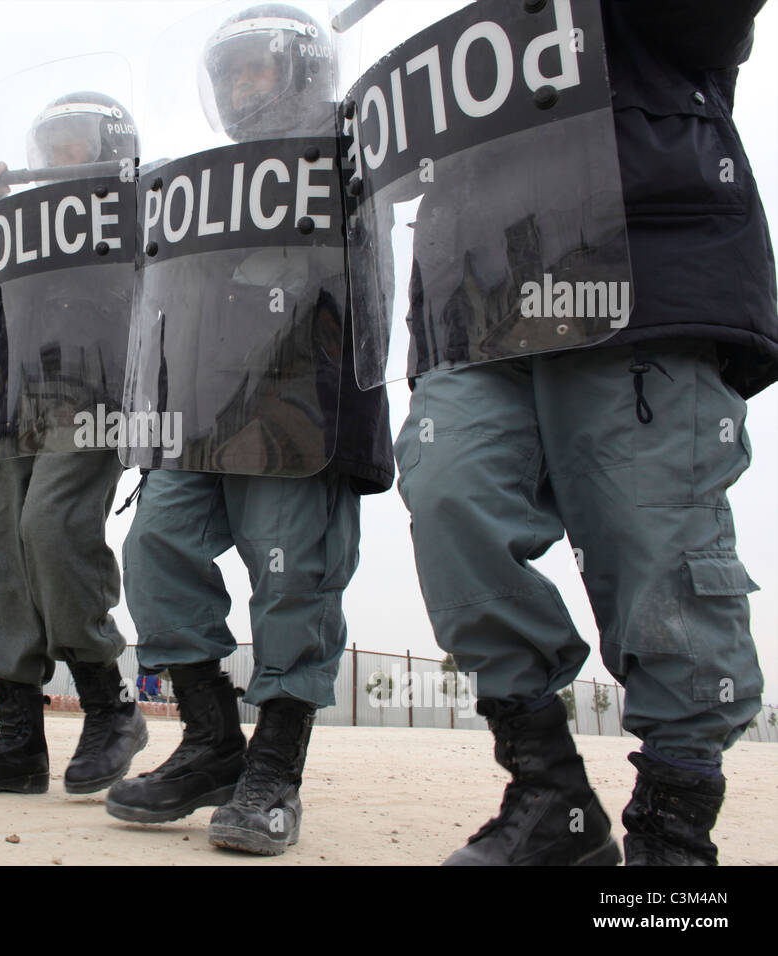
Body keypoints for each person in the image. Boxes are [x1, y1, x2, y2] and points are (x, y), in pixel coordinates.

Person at [387, 0, 775, 865]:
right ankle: (551, 796)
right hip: (478, 303)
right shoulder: (476, 40)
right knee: (451, 493)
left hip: (640, 285)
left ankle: (673, 829)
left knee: (658, 545)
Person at [103, 4, 393, 856]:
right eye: (227, 74)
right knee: (155, 548)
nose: (237, 87)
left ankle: (275, 768)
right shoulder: (202, 178)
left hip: (309, 399)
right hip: (201, 410)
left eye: (255, 68)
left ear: (303, 72)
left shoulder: (352, 150)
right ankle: (210, 741)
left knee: (292, 577)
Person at [0, 84, 147, 795]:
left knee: (51, 527)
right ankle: (19, 740)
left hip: (96, 385)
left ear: (110, 145)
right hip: (12, 392)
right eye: (49, 143)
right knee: (1, 550)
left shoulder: (131, 202)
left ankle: (110, 704)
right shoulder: (17, 220)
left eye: (75, 140)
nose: (59, 153)